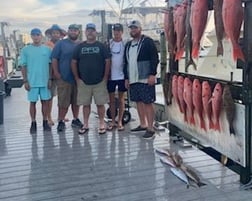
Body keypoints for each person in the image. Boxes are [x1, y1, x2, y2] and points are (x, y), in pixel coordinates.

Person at [71, 23, 110, 135]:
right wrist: (77, 78)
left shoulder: (101, 46)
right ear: (85, 32)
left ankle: (102, 123)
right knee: (85, 104)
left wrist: (105, 77)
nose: (90, 32)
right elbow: (73, 62)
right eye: (88, 30)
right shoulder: (79, 47)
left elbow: (107, 61)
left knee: (100, 104)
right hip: (84, 82)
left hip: (99, 81)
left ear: (95, 32)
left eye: (92, 30)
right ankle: (86, 124)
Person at [123, 20, 159, 139]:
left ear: (140, 29)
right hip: (133, 78)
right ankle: (143, 124)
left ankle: (150, 127)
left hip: (145, 77)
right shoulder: (128, 44)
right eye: (131, 28)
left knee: (148, 102)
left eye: (135, 28)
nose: (133, 30)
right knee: (138, 102)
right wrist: (126, 78)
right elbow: (126, 62)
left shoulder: (147, 41)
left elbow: (154, 58)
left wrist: (152, 74)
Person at [51, 24, 83, 132]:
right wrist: (56, 73)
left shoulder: (81, 44)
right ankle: (60, 121)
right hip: (64, 78)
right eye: (71, 30)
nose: (73, 32)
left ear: (78, 32)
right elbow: (54, 59)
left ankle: (75, 119)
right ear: (68, 31)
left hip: (77, 79)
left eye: (75, 31)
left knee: (76, 101)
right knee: (63, 102)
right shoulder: (61, 43)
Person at [20, 28, 52, 134]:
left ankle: (45, 121)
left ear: (41, 36)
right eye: (33, 35)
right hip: (32, 82)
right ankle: (33, 123)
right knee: (32, 103)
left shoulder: (47, 50)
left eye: (38, 34)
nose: (36, 37)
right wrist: (25, 81)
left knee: (45, 102)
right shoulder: (25, 50)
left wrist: (50, 79)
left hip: (44, 81)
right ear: (31, 36)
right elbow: (23, 66)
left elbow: (50, 64)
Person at [107, 23, 127, 131]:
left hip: (122, 75)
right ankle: (113, 121)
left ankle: (120, 121)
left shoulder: (125, 44)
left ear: (122, 32)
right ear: (113, 31)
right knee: (111, 100)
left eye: (119, 30)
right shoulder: (108, 43)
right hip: (111, 76)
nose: (117, 32)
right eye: (115, 30)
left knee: (121, 99)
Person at [44, 24, 66, 126]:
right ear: (50, 34)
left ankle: (61, 116)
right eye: (53, 33)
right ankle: (49, 117)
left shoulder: (63, 44)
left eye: (57, 33)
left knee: (62, 97)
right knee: (50, 97)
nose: (55, 35)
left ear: (60, 34)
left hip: (62, 74)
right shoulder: (47, 45)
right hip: (51, 75)